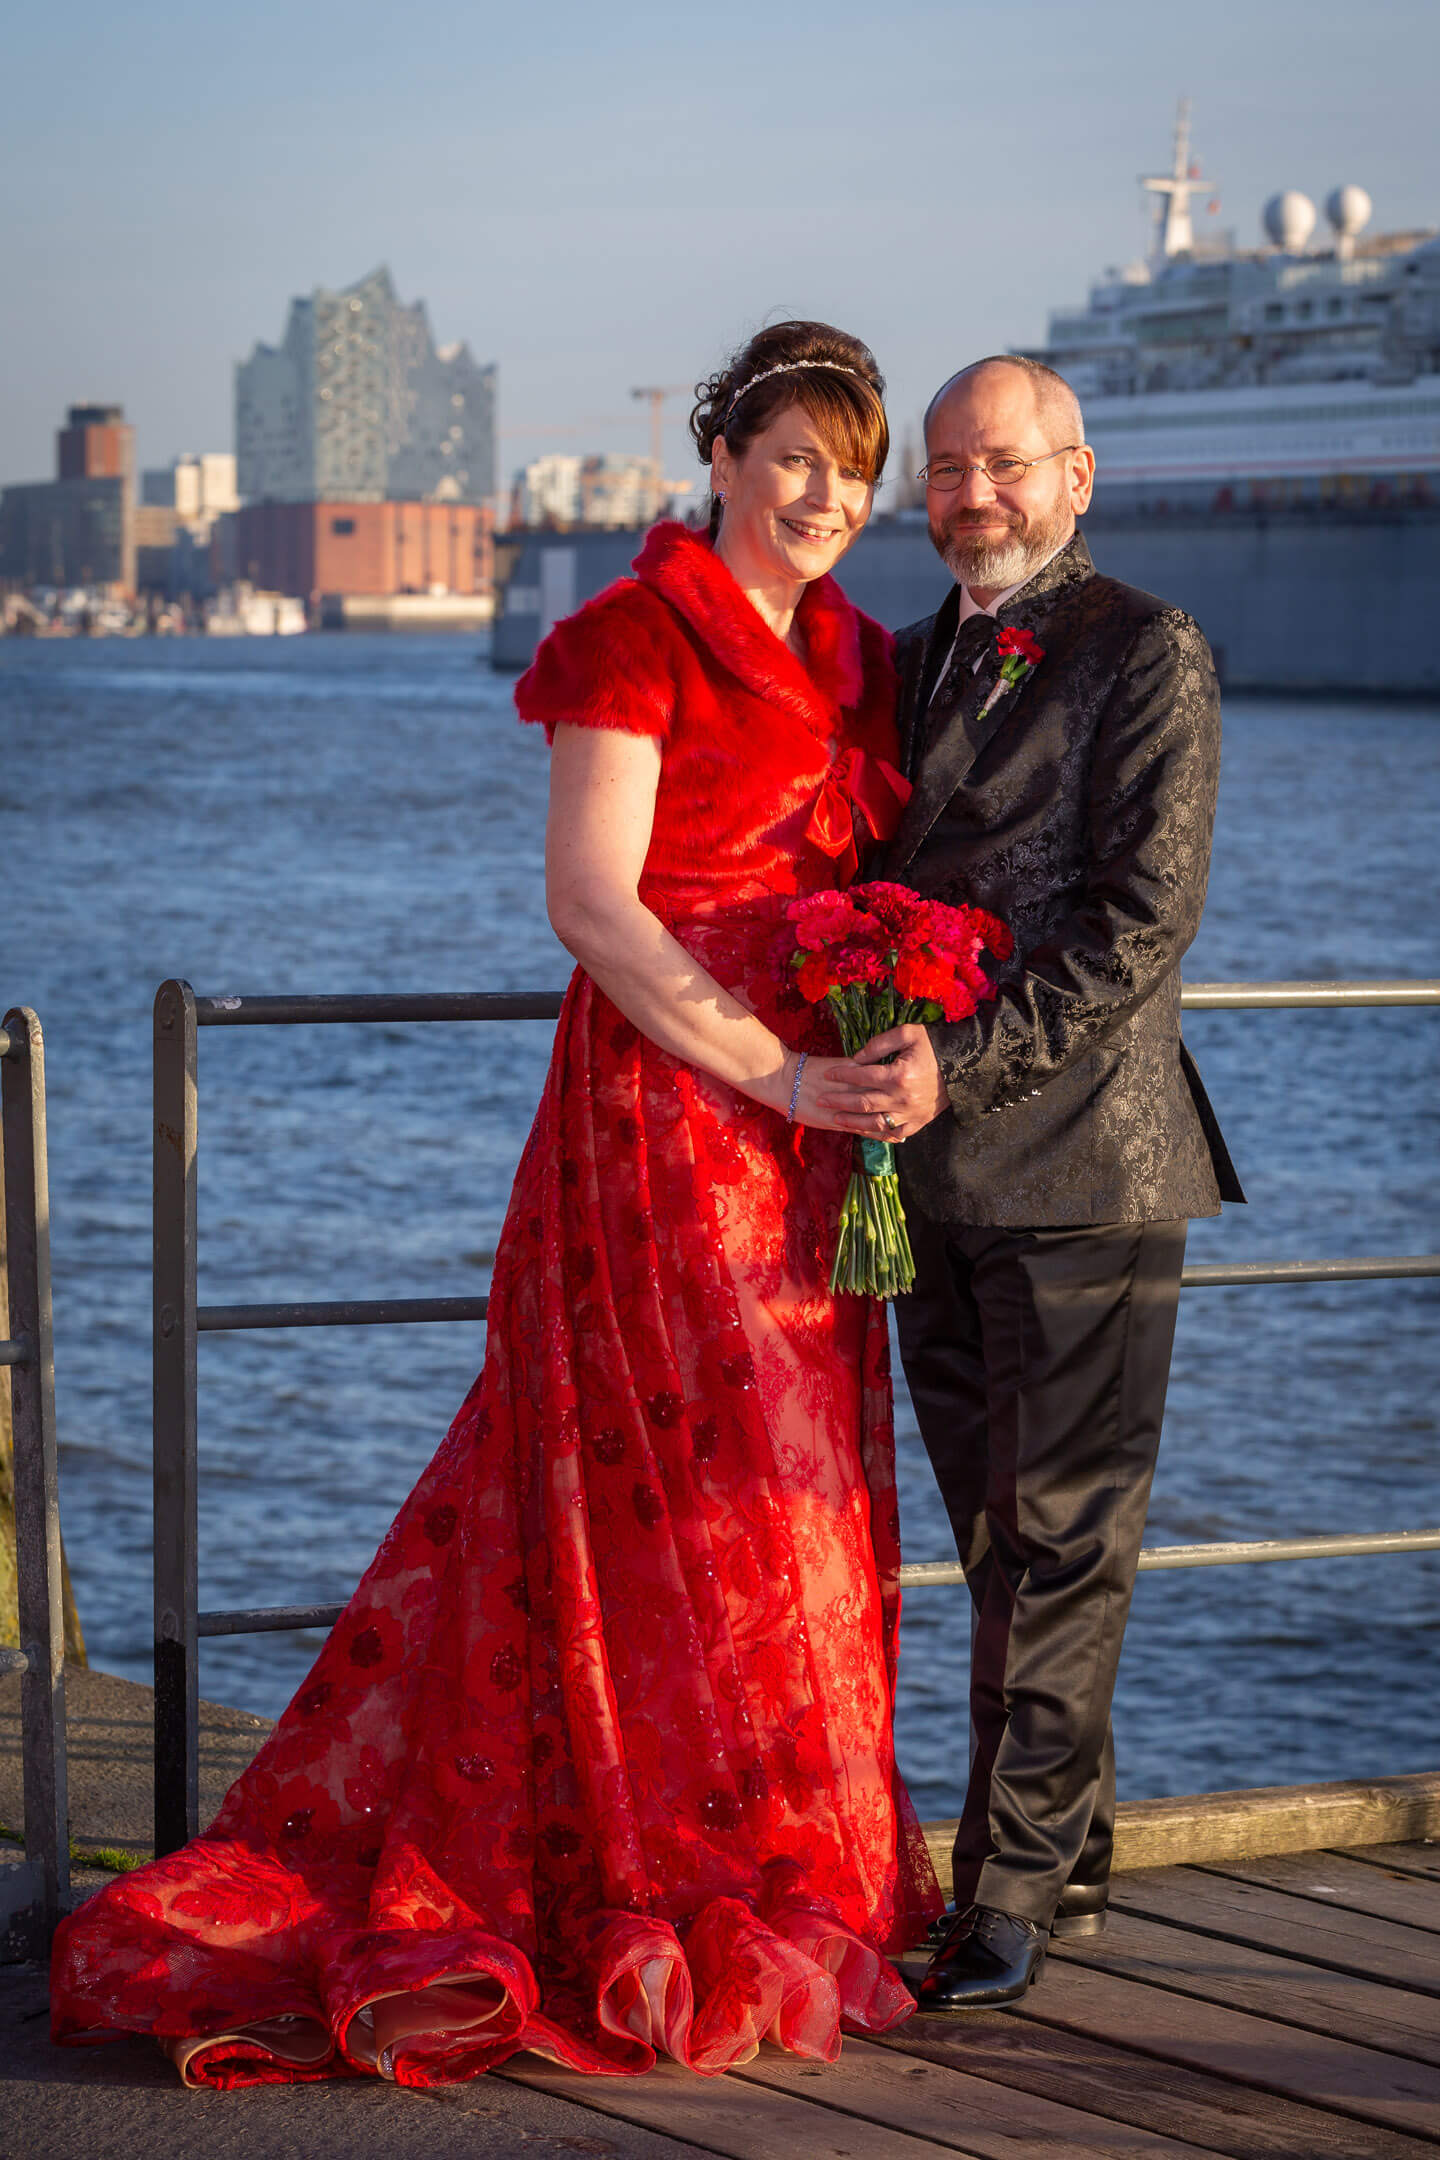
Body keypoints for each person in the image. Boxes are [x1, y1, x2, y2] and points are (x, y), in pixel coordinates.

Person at [49, 321, 942, 2086]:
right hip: (671, 1113)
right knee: (654, 1477)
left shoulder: (854, 653)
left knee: (786, 1497)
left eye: (854, 465)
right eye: (792, 458)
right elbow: (594, 906)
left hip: (817, 1124)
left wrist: (887, 1037)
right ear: (722, 461)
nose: (826, 496)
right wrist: (768, 1067)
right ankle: (636, 1852)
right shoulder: (634, 634)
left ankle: (780, 1844)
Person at [816, 354, 1243, 2010]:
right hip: (923, 1183)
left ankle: (1003, 1898)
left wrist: (951, 1063)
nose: (968, 496)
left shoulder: (1148, 648)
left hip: (1086, 1166)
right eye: (942, 471)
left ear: (1078, 475)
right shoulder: (907, 656)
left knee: (1063, 1538)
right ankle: (1076, 1849)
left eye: (1001, 465)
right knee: (998, 1541)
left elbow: (1141, 919)